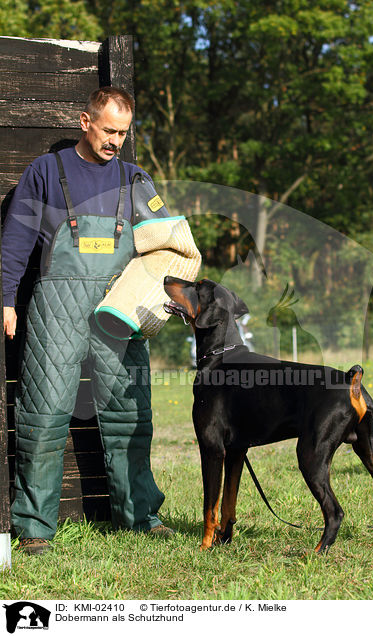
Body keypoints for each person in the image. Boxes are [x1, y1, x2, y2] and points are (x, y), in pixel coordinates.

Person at [2, 87, 173, 554]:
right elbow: (16, 238)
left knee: (129, 413)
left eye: (123, 132)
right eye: (109, 129)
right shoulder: (45, 171)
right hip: (55, 304)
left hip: (119, 307)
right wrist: (5, 300)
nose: (116, 140)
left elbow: (165, 246)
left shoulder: (137, 180)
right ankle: (35, 527)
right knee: (43, 414)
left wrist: (161, 296)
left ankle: (141, 515)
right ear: (85, 120)